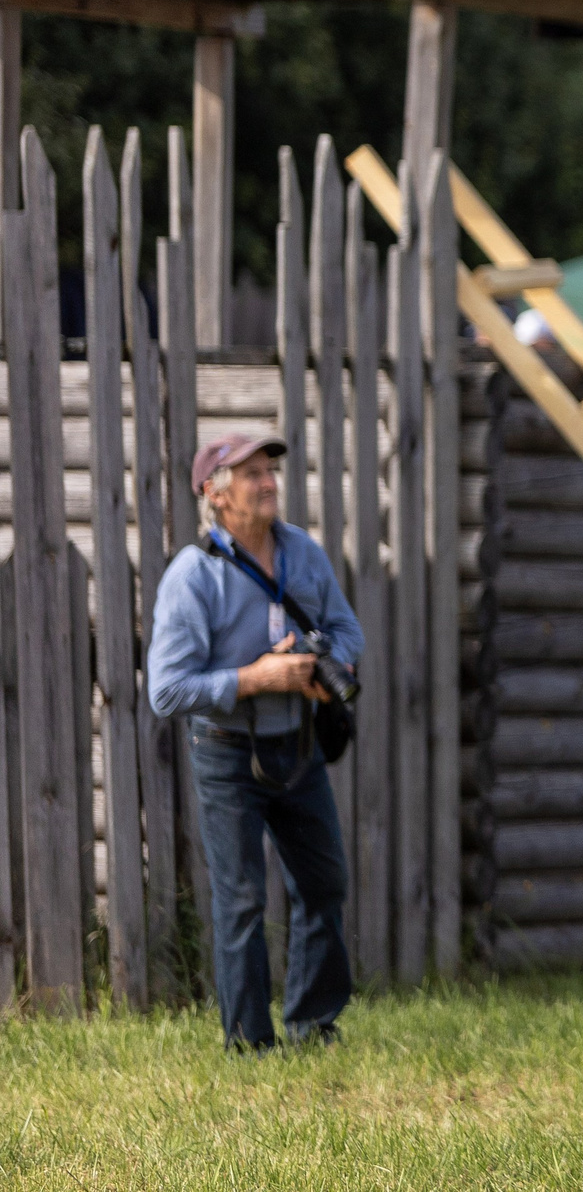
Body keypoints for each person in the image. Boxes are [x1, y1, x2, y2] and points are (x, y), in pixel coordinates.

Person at [146, 430, 364, 1051]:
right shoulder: (191, 576)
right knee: (242, 899)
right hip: (225, 751)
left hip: (297, 747)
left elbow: (347, 630)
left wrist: (326, 670)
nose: (268, 482)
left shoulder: (303, 552)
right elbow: (167, 692)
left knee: (324, 882)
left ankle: (314, 1023)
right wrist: (255, 678)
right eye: (251, 474)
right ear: (215, 495)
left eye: (270, 470)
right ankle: (246, 1042)